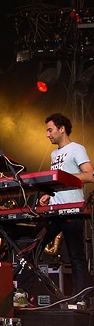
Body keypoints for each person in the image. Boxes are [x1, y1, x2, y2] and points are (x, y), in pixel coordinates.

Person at [37, 113, 94, 296]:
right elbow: (56, 182)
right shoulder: (54, 154)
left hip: (73, 209)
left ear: (62, 129)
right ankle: (24, 292)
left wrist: (65, 179)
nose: (47, 134)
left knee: (76, 256)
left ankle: (81, 299)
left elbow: (90, 175)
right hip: (54, 210)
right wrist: (48, 194)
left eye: (50, 130)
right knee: (32, 245)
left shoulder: (77, 149)